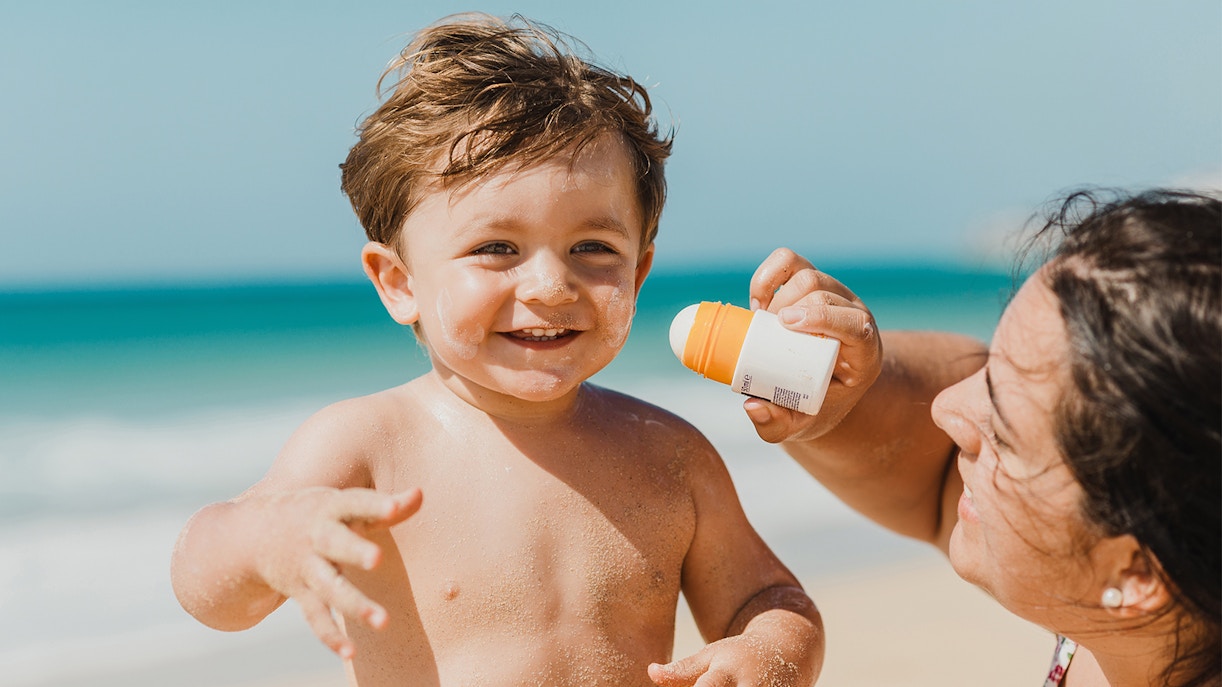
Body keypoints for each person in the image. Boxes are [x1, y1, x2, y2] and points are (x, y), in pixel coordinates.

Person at [169, 13, 823, 687]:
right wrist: (266, 538)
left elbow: (767, 598)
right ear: (399, 283)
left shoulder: (672, 457)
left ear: (639, 271)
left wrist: (770, 650)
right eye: (496, 249)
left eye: (592, 248)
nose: (549, 284)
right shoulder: (369, 445)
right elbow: (204, 583)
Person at [739, 188, 1221, 686]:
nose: (945, 409)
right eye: (994, 365)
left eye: (1004, 433)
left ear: (1136, 574)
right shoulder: (1118, 627)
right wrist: (843, 387)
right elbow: (935, 472)